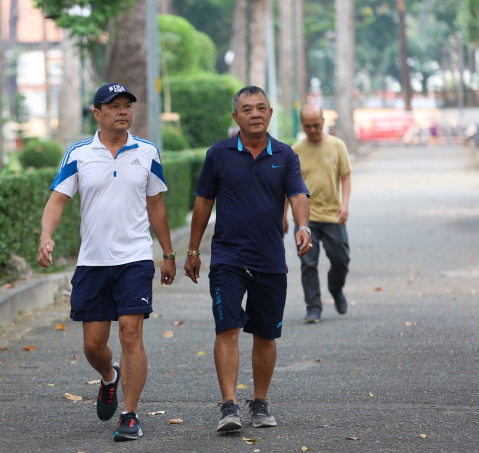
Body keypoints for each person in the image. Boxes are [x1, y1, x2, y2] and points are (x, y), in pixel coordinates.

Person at [37, 83, 176, 442]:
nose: (122, 110)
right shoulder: (79, 154)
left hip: (134, 259)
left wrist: (169, 254)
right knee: (93, 345)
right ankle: (109, 377)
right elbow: (57, 200)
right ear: (97, 113)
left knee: (131, 333)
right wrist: (45, 237)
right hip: (93, 262)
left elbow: (156, 205)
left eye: (127, 105)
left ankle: (130, 415)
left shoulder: (146, 152)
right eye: (113, 105)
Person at [184, 86, 312, 432]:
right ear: (235, 117)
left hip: (270, 259)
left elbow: (297, 193)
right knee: (227, 326)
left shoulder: (285, 155)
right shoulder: (218, 154)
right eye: (247, 109)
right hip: (227, 257)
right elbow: (202, 203)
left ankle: (259, 402)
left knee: (265, 335)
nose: (255, 114)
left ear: (270, 113)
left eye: (261, 108)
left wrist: (304, 226)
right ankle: (228, 406)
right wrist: (193, 250)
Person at [284, 104, 352, 324]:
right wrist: (282, 216)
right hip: (306, 218)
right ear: (302, 125)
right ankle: (313, 307)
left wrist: (344, 204)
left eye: (316, 125)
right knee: (308, 263)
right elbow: (288, 186)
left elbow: (345, 177)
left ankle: (336, 288)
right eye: (307, 126)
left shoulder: (337, 146)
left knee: (341, 259)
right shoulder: (295, 150)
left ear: (323, 121)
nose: (312, 130)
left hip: (333, 216)